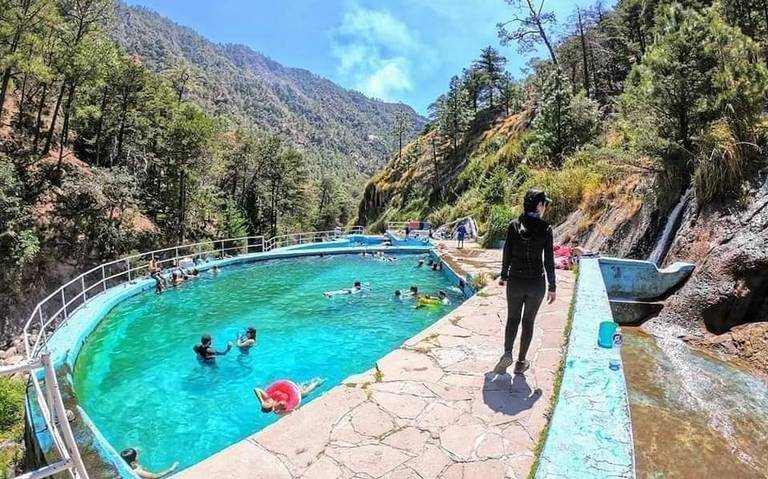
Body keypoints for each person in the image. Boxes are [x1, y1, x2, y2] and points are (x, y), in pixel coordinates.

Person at [495, 189, 556, 376]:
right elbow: (549, 260)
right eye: (544, 204)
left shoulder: (514, 226)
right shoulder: (546, 228)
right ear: (539, 205)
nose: (545, 207)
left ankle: (507, 352)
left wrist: (504, 275)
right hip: (536, 283)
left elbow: (507, 252)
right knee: (528, 322)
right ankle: (521, 362)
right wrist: (552, 286)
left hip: (516, 280)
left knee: (512, 318)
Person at [254, 378, 325, 414]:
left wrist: (261, 401)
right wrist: (276, 408)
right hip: (296, 396)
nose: (267, 401)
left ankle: (317, 381)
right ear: (271, 407)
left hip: (291, 390)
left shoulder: (268, 398)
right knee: (308, 390)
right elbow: (286, 407)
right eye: (267, 403)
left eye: (266, 402)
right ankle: (319, 382)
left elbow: (256, 389)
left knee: (303, 386)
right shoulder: (280, 404)